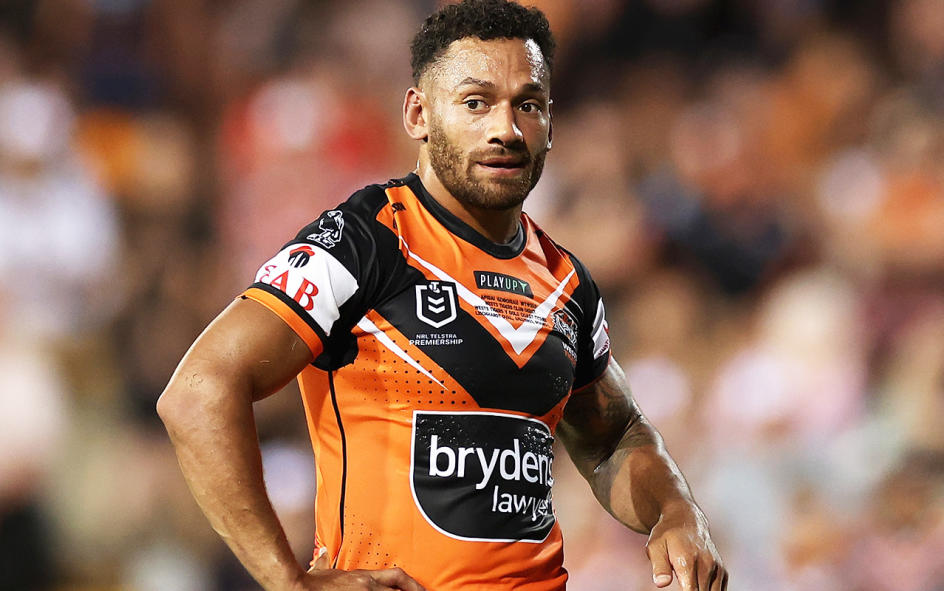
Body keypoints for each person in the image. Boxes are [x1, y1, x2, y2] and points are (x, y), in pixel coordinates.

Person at [157, 1, 727, 589]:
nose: (505, 129)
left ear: (550, 122)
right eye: (476, 102)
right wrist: (286, 582)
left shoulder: (565, 282)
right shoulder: (366, 241)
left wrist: (677, 511)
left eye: (527, 105)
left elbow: (614, 437)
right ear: (418, 114)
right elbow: (198, 392)